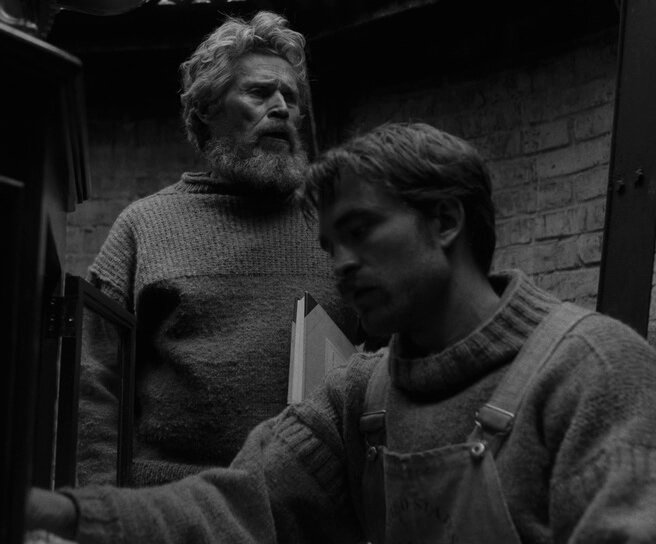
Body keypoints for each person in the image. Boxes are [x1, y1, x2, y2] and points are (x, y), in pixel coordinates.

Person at [29, 122, 656, 542]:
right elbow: (236, 507)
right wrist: (60, 511)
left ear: (444, 220)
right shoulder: (363, 398)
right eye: (332, 247)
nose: (341, 265)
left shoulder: (593, 368)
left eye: (360, 232)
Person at [75, 10, 353, 487]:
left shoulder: (340, 223)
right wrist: (101, 503)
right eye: (259, 93)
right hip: (173, 501)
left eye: (291, 96)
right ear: (206, 110)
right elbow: (94, 382)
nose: (281, 108)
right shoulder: (144, 226)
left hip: (308, 505)